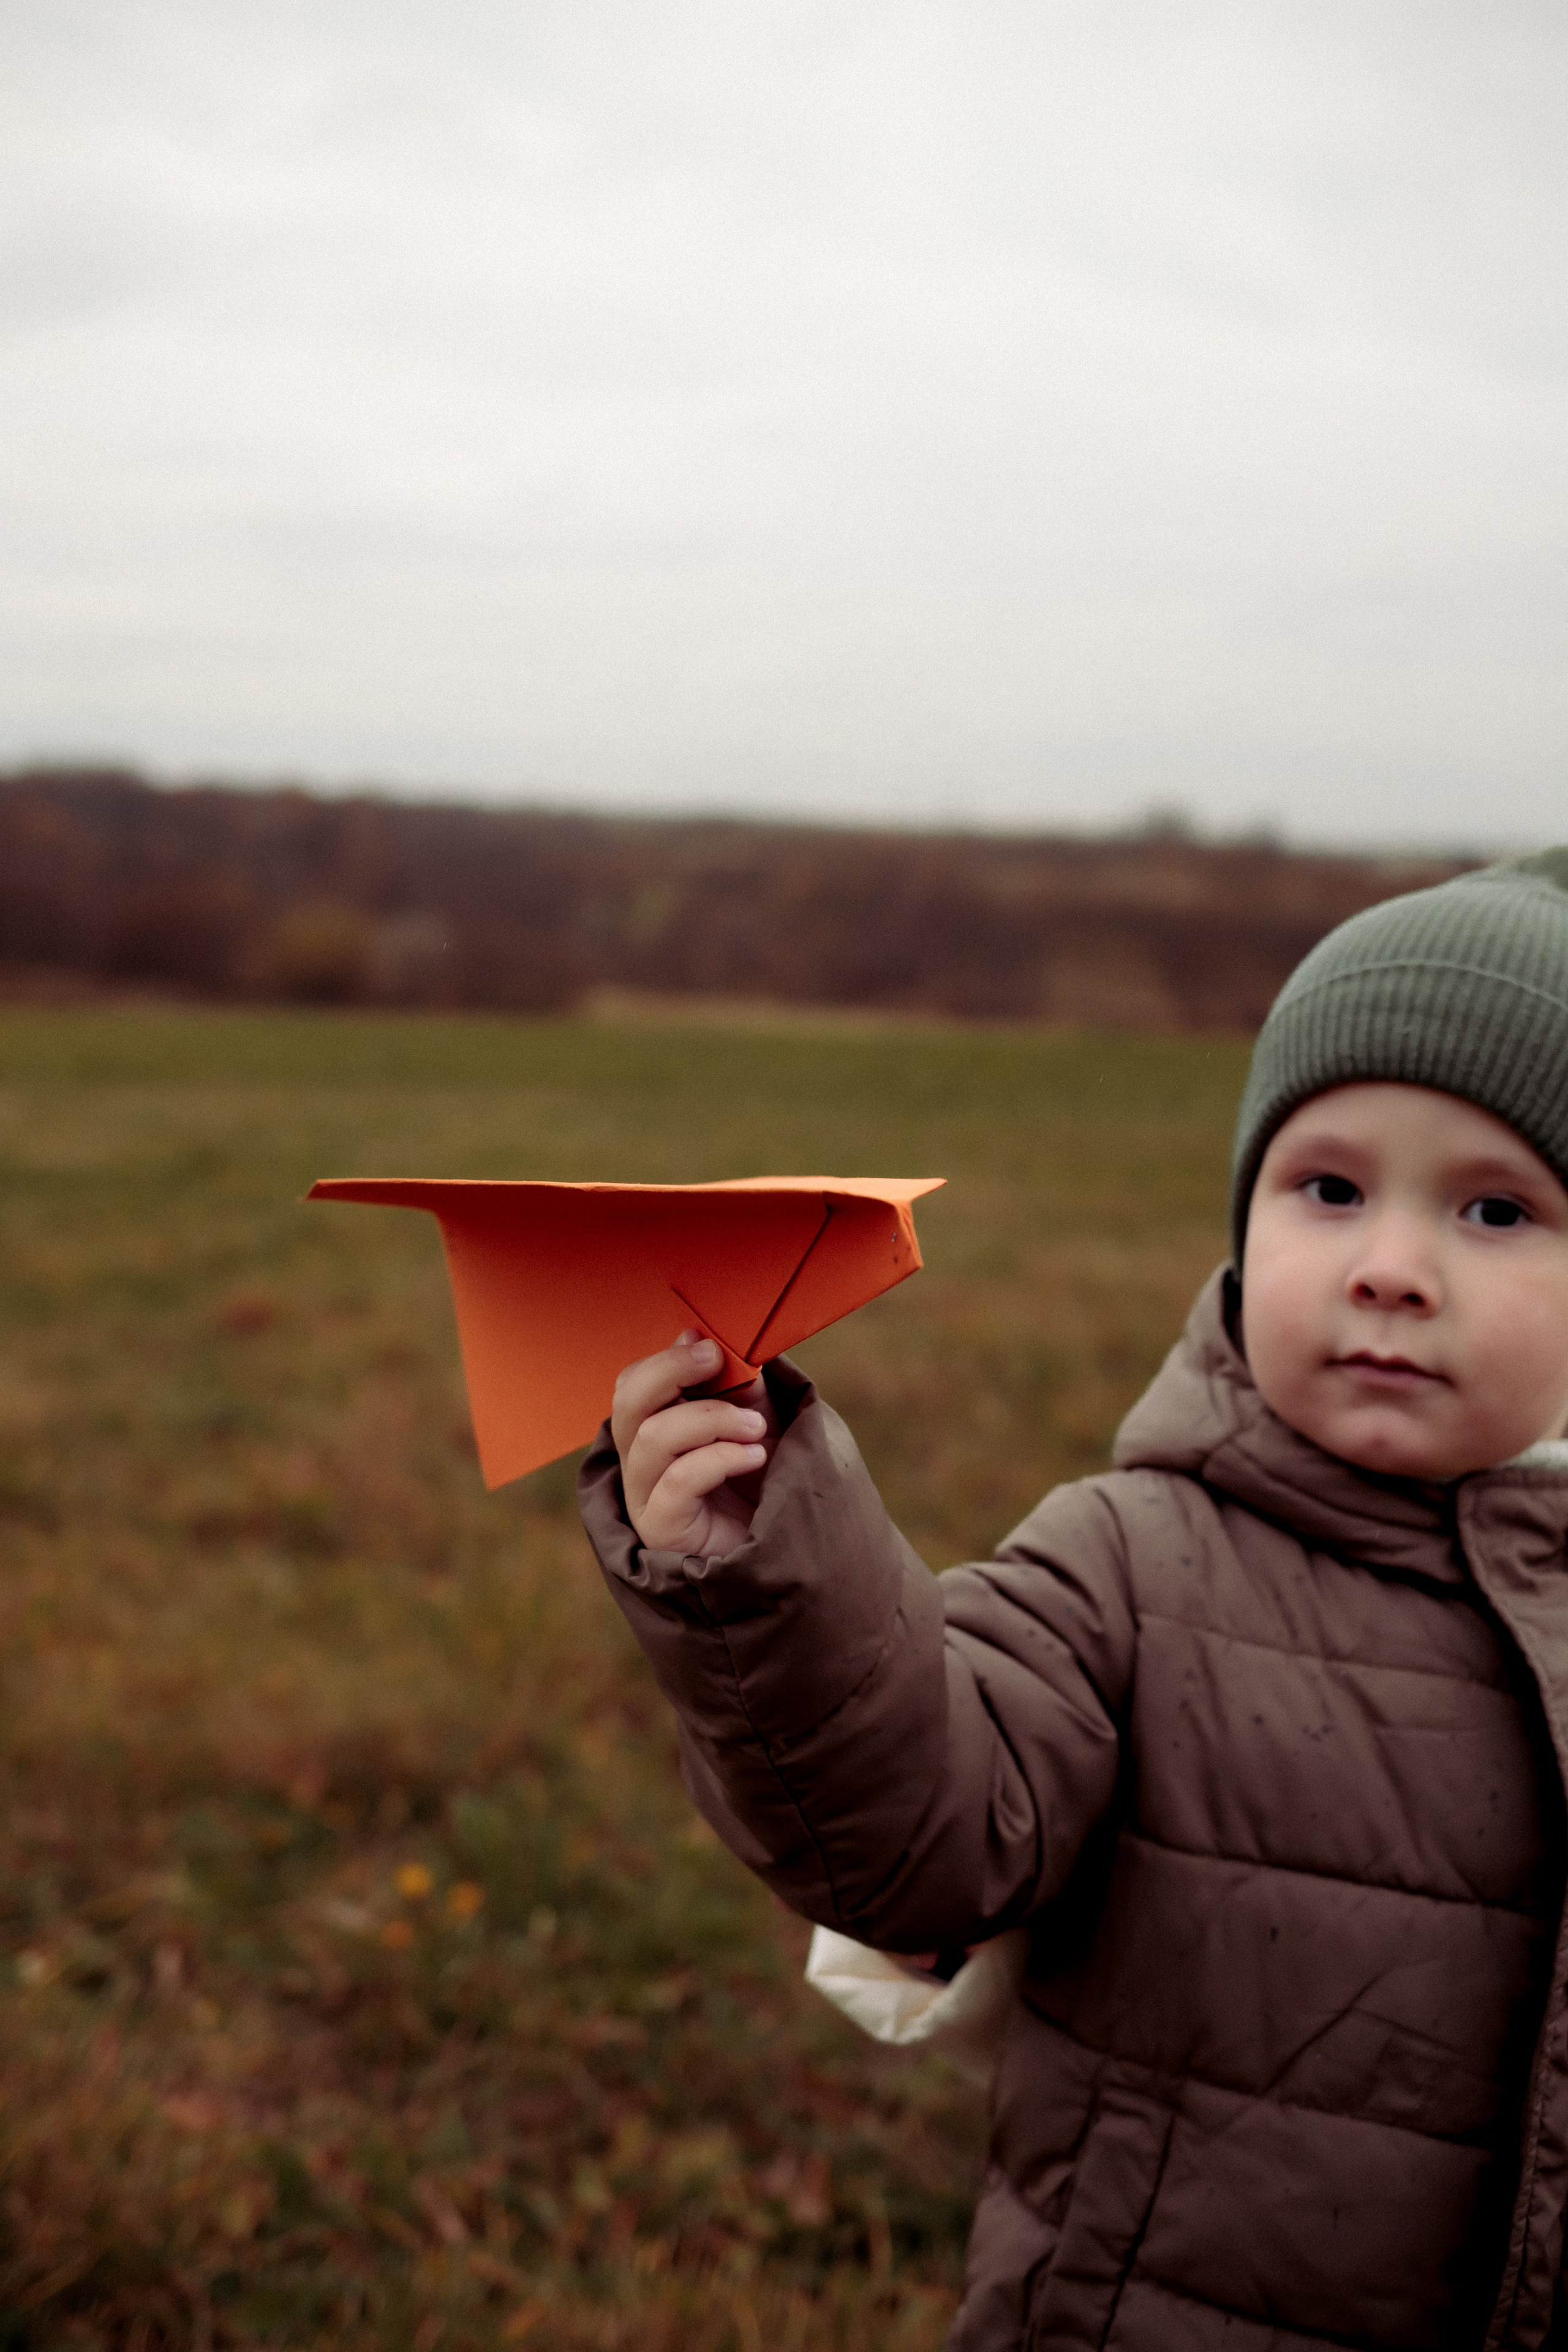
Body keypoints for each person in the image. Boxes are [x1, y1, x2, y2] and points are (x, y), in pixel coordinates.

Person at [577, 849, 1568, 2351]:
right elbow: (912, 1843)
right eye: (1327, 1187)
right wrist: (763, 1570)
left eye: (1494, 1212)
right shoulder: (1133, 1562)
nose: (1388, 1268)